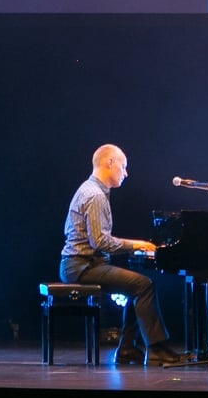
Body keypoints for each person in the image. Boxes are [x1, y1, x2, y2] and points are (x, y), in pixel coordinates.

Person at [60, 144, 182, 367]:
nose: (125, 173)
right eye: (123, 167)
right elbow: (101, 242)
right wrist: (138, 245)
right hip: (81, 267)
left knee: (137, 285)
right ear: (109, 163)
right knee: (143, 285)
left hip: (81, 264)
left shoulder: (91, 190)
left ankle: (127, 349)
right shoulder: (95, 195)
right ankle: (155, 350)